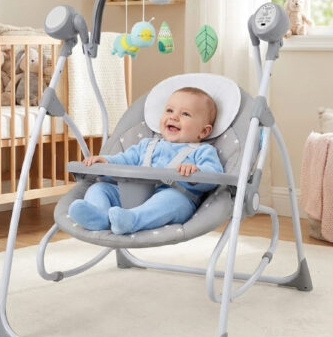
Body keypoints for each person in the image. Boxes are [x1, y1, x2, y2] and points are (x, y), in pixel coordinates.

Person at [68, 87, 223, 235]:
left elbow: (214, 174)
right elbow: (124, 160)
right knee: (99, 188)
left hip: (173, 197)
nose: (173, 117)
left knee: (171, 200)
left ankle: (132, 220)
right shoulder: (147, 145)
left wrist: (196, 172)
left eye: (185, 114)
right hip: (133, 195)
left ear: (204, 131)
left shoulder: (202, 150)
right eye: (169, 110)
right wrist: (105, 161)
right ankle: (100, 218)